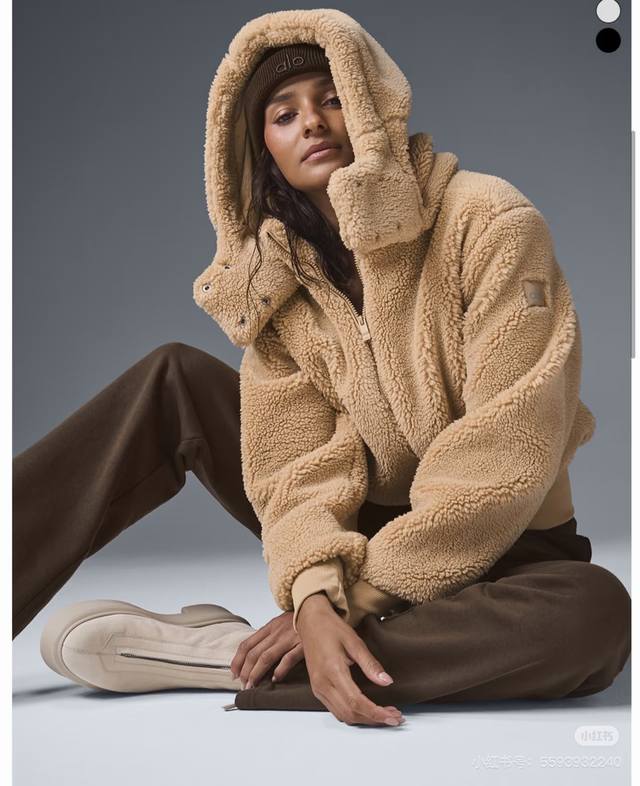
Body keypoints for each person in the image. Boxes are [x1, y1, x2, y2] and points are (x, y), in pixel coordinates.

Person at [13, 9, 631, 728]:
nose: (312, 122)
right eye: (284, 114)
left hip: (506, 538)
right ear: (263, 149)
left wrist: (354, 599)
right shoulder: (276, 278)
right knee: (172, 377)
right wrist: (313, 592)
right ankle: (325, 649)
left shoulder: (488, 222)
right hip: (357, 527)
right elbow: (296, 462)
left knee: (593, 617)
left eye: (333, 98)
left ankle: (235, 657)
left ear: (372, 109)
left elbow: (510, 444)